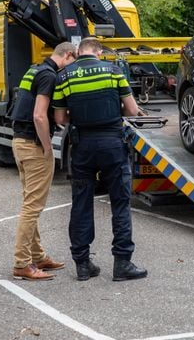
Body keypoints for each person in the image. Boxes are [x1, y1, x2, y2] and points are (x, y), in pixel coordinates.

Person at [52, 37, 147, 282]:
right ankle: (122, 264)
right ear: (98, 51)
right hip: (113, 144)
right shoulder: (114, 71)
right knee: (120, 203)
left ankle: (83, 265)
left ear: (78, 51)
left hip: (82, 145)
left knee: (81, 203)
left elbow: (60, 118)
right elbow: (133, 110)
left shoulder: (65, 76)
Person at [11, 42, 76, 281]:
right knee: (32, 207)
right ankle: (22, 263)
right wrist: (48, 147)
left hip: (20, 142)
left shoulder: (35, 70)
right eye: (72, 61)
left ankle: (37, 256)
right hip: (33, 146)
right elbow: (39, 115)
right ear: (67, 55)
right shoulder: (49, 76)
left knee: (31, 202)